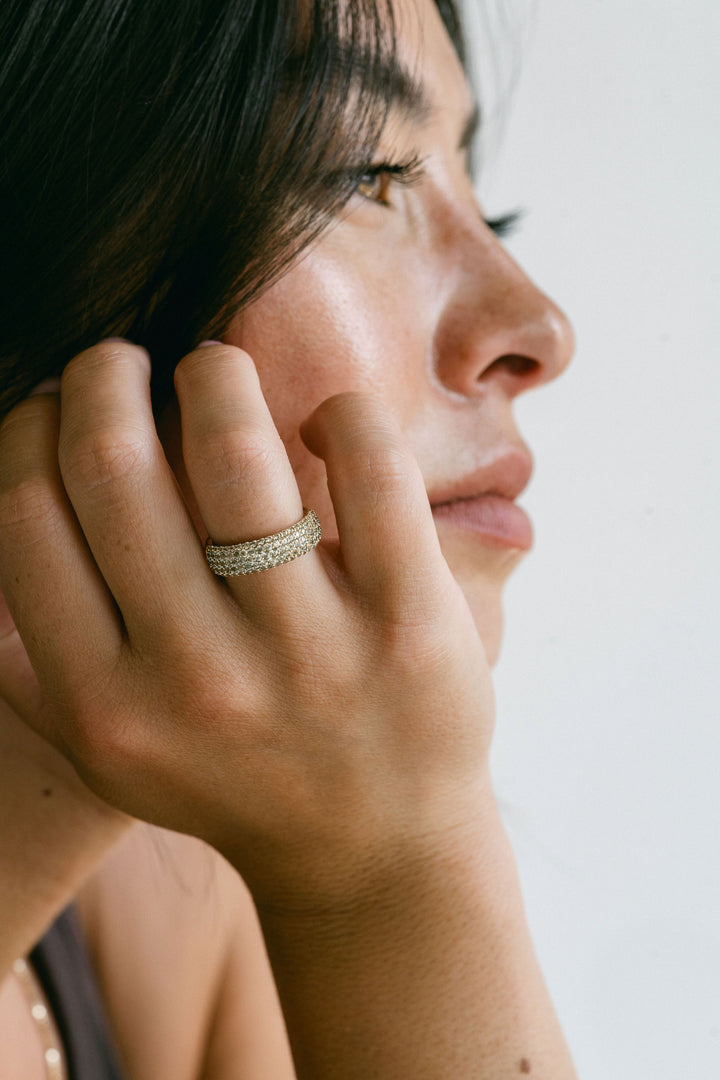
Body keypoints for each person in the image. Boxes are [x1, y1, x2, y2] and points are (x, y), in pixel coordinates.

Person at [0, 0, 578, 1076]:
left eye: (484, 209)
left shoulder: (179, 913)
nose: (540, 331)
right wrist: (389, 870)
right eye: (364, 174)